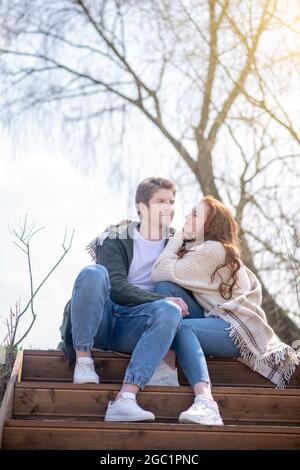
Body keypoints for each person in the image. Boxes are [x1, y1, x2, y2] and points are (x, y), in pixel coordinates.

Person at [151, 195, 299, 424]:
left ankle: (206, 402)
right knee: (166, 289)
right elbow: (163, 280)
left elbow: (159, 270)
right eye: (189, 213)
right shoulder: (206, 251)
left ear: (211, 225)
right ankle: (168, 368)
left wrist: (173, 242)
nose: (187, 218)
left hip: (236, 328)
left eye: (196, 215)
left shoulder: (211, 250)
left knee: (181, 328)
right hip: (216, 318)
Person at [60, 176, 196, 422]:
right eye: (160, 201)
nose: (169, 207)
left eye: (172, 201)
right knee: (94, 273)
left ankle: (125, 399)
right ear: (141, 207)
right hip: (101, 320)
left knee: (169, 310)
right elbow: (117, 288)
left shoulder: (179, 242)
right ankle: (83, 361)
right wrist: (160, 297)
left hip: (134, 327)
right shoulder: (115, 236)